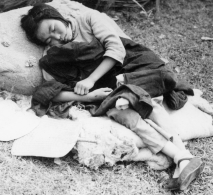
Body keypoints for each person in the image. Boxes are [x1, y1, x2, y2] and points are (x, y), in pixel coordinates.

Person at [20, 3, 204, 191]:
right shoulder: (52, 56)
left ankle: (180, 156)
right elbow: (49, 91)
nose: (57, 37)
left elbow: (116, 49)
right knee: (119, 111)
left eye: (53, 29)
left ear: (57, 16)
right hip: (112, 89)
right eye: (49, 39)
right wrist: (89, 97)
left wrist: (91, 79)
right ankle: (182, 158)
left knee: (151, 89)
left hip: (133, 68)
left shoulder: (88, 19)